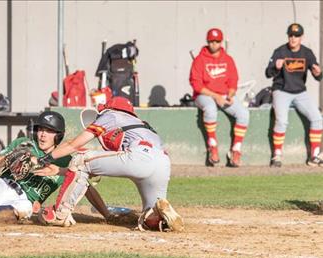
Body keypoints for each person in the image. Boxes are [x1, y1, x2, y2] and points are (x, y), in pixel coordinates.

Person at [34, 96, 184, 232]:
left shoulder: (111, 115)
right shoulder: (142, 124)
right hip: (163, 163)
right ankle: (160, 216)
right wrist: (59, 170)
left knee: (81, 158)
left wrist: (44, 159)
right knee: (148, 218)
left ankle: (60, 214)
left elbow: (74, 146)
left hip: (140, 156)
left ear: (110, 108)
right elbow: (86, 172)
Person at [189, 28, 249, 167]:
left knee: (243, 113)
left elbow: (233, 80)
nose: (214, 44)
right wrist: (216, 96)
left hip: (223, 95)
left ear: (221, 42)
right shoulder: (199, 59)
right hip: (204, 95)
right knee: (210, 109)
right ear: (207, 42)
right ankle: (212, 146)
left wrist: (231, 93)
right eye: (211, 41)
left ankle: (236, 150)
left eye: (217, 41)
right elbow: (196, 84)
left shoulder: (227, 59)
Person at [265, 23, 323, 167]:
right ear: (288, 36)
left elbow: (318, 75)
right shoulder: (280, 51)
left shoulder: (307, 53)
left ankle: (314, 156)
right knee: (282, 121)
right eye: (291, 35)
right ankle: (277, 156)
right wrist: (275, 67)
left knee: (317, 118)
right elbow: (267, 73)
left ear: (301, 37)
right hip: (281, 90)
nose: (293, 38)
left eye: (296, 36)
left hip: (300, 92)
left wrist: (319, 73)